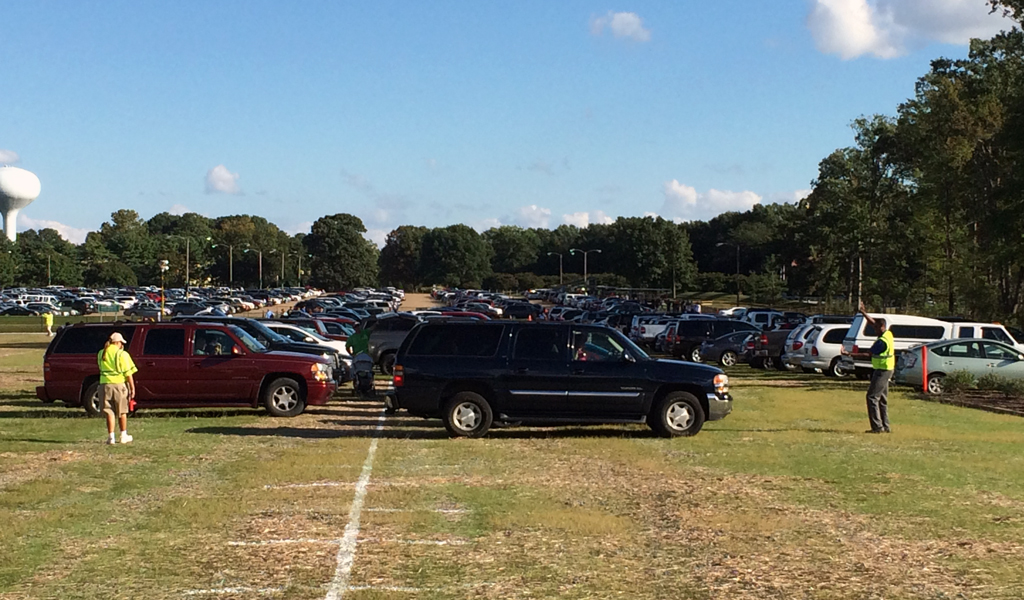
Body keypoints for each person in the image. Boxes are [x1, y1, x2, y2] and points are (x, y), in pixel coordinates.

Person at [859, 300, 893, 434]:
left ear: (881, 328)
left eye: (875, 328)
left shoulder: (881, 342)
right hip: (888, 369)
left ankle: (877, 427)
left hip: (882, 371)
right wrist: (863, 313)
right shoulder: (888, 334)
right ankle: (886, 426)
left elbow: (868, 354)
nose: (874, 330)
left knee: (872, 397)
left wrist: (848, 353)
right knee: (882, 399)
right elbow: (874, 322)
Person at [97, 332, 138, 444]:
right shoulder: (122, 354)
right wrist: (132, 388)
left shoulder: (101, 353)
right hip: (119, 385)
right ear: (118, 342)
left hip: (104, 384)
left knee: (109, 411)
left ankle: (111, 437)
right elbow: (128, 373)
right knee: (122, 411)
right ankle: (123, 435)